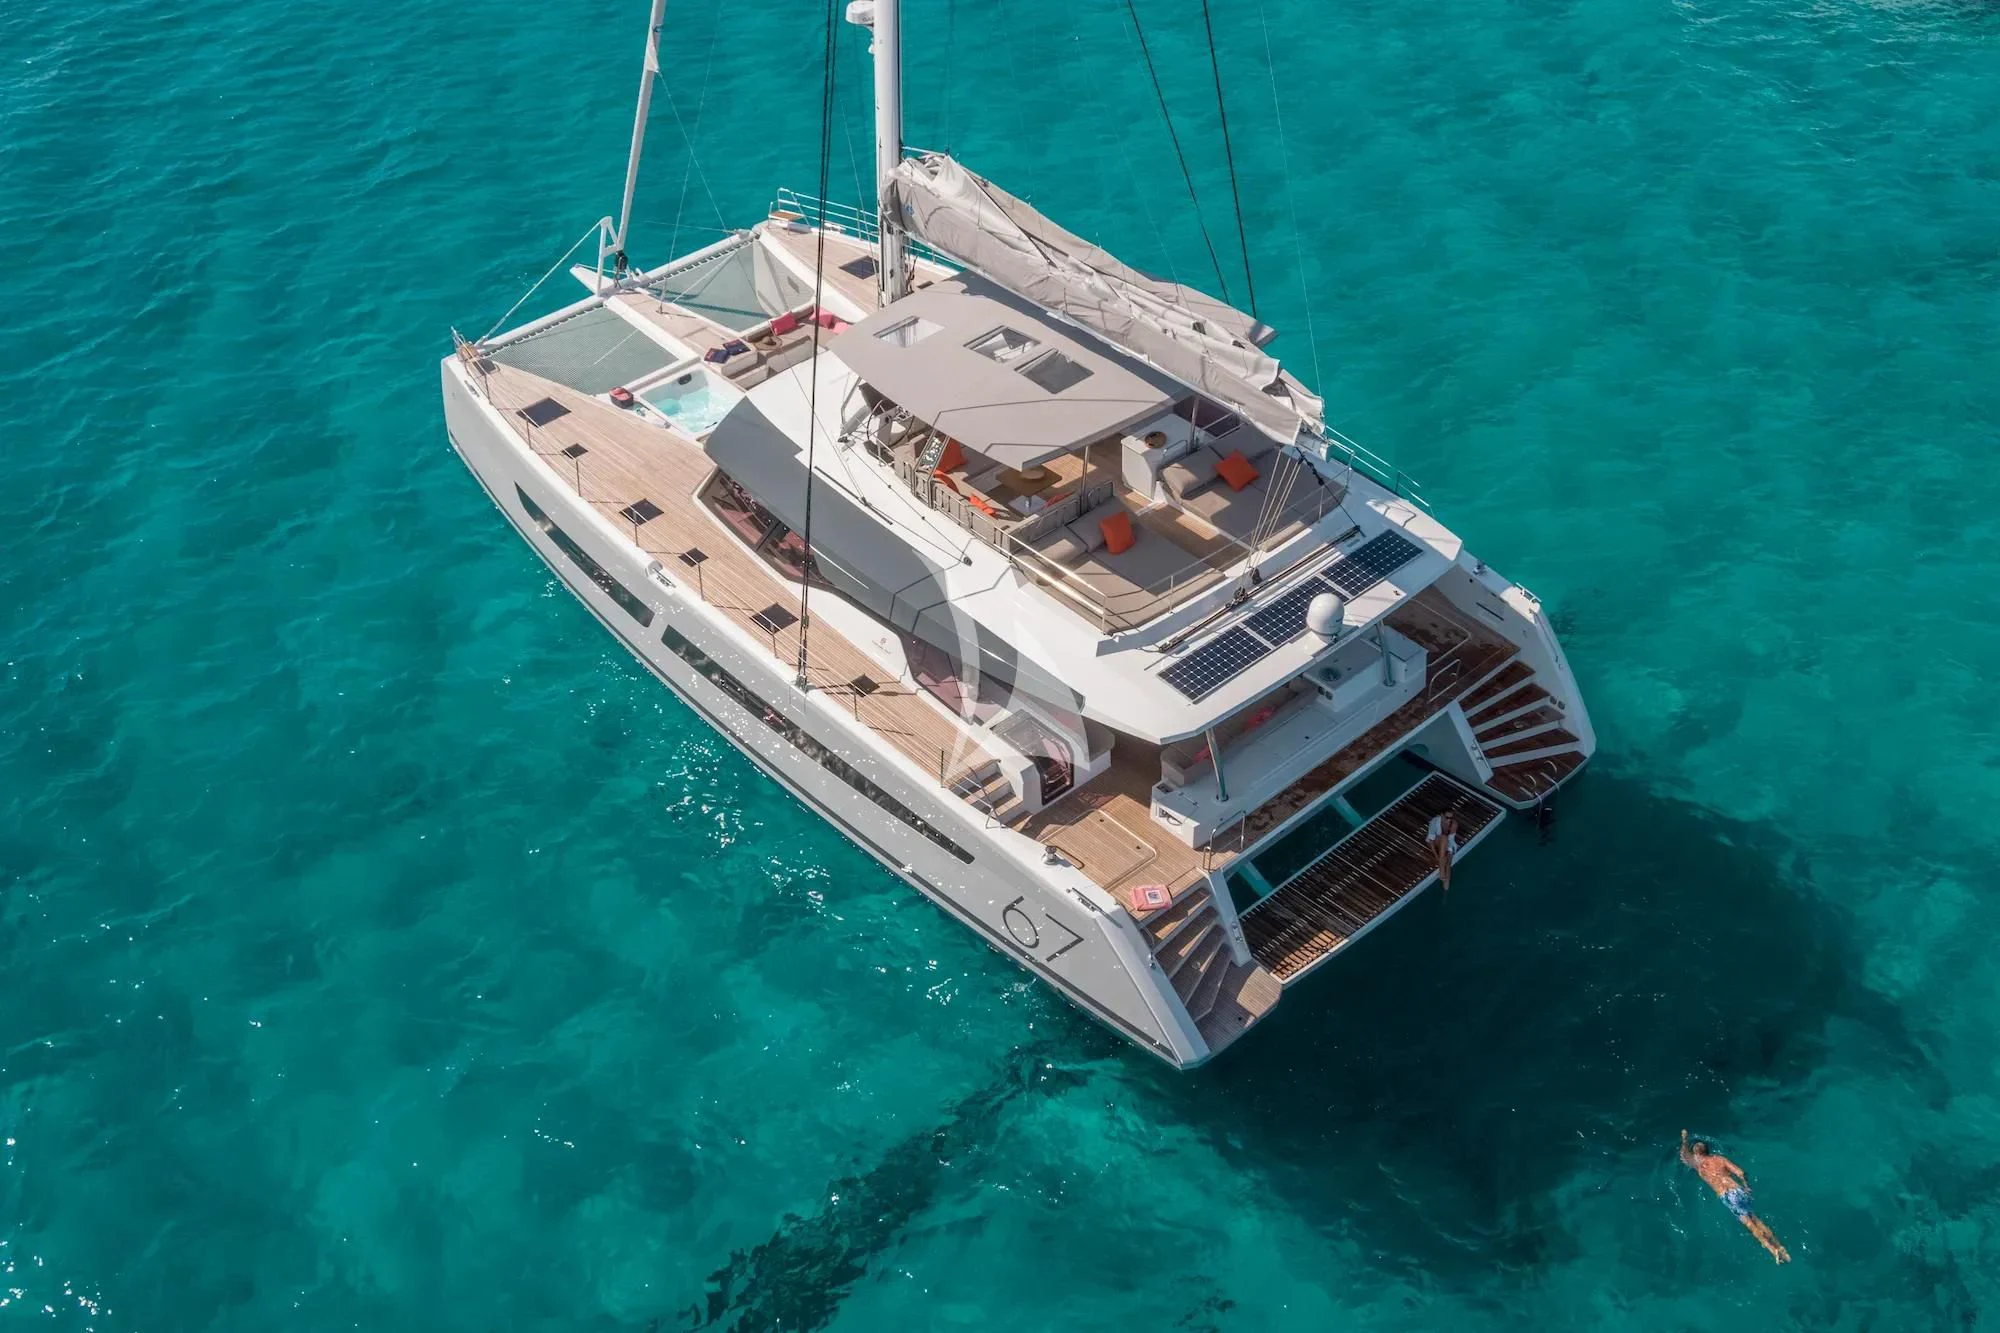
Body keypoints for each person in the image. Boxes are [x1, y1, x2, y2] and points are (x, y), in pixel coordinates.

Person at [1681, 1130, 1790, 1264]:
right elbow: (1740, 1172)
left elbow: (1684, 1156)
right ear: (1707, 1151)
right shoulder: (1719, 1159)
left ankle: (1773, 1250)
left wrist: (1684, 1139)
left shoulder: (1699, 1166)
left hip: (1727, 1196)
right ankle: (1780, 1246)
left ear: (1697, 1155)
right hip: (1738, 1190)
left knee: (1750, 1225)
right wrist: (1746, 1186)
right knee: (1756, 1220)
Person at [1426, 810, 1460, 891]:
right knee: (1444, 838)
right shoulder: (1435, 822)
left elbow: (1451, 840)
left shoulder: (1454, 824)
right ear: (1442, 816)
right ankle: (1441, 871)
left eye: (1451, 818)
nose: (1449, 820)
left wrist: (1449, 852)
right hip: (1435, 842)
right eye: (1447, 817)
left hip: (1446, 844)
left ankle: (1445, 888)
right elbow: (1431, 841)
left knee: (1448, 863)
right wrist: (1437, 857)